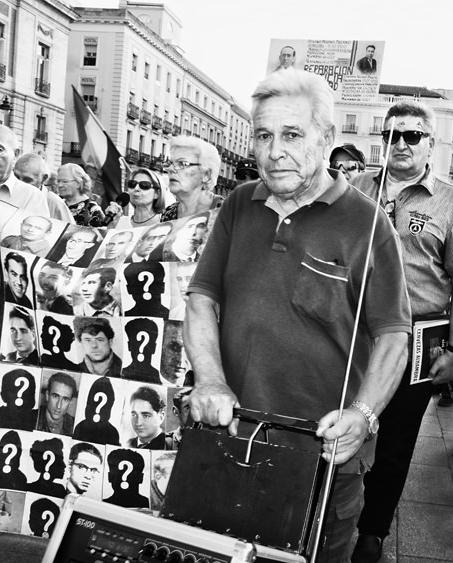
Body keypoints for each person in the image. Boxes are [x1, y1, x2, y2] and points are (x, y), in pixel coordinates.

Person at [184, 68, 411, 563]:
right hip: (227, 435)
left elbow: (395, 334)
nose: (273, 151)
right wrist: (209, 380)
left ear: (326, 139)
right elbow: (202, 296)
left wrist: (364, 415)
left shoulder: (368, 224)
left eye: (291, 134)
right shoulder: (240, 203)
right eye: (263, 135)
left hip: (323, 455)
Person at [349, 101, 453, 563]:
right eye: (391, 136)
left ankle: (373, 529)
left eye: (411, 136)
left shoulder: (450, 201)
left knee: (396, 440)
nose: (400, 144)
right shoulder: (355, 191)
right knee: (343, 425)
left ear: (430, 143)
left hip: (416, 337)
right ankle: (331, 512)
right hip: (354, 335)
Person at [161, 136, 223, 221]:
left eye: (182, 163)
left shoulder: (226, 211)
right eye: (170, 163)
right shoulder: (168, 214)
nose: (171, 169)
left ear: (206, 175)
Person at [13, 152, 74, 222]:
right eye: (16, 177)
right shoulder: (6, 193)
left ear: (43, 179)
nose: (20, 183)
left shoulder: (55, 203)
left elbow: (69, 231)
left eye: (27, 180)